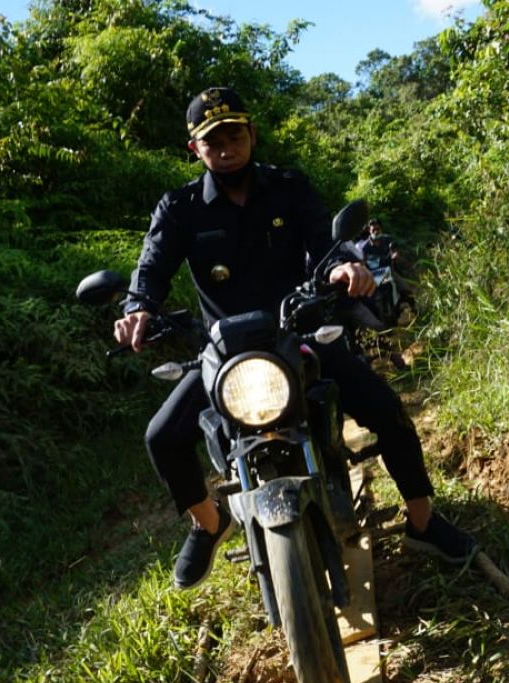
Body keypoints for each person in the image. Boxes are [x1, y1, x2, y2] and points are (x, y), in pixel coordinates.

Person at [113, 87, 477, 589]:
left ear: (251, 135)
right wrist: (138, 310)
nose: (225, 145)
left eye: (233, 133)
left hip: (299, 336)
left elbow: (327, 249)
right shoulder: (179, 208)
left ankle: (423, 522)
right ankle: (209, 523)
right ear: (194, 148)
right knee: (161, 437)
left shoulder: (289, 187)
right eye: (211, 138)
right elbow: (151, 269)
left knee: (387, 410)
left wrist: (346, 267)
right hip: (225, 354)